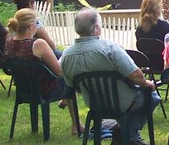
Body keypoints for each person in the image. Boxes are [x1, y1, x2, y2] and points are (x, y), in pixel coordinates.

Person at [60, 8, 160, 145]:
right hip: (123, 101)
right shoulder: (110, 49)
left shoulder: (66, 55)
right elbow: (136, 75)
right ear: (96, 28)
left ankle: (125, 134)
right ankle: (128, 135)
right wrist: (147, 84)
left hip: (94, 103)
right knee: (153, 96)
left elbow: (71, 85)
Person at [5, 8, 81, 136]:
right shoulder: (38, 44)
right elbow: (58, 71)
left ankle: (65, 105)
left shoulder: (9, 42)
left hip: (24, 89)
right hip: (45, 89)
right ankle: (76, 125)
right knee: (69, 80)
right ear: (31, 26)